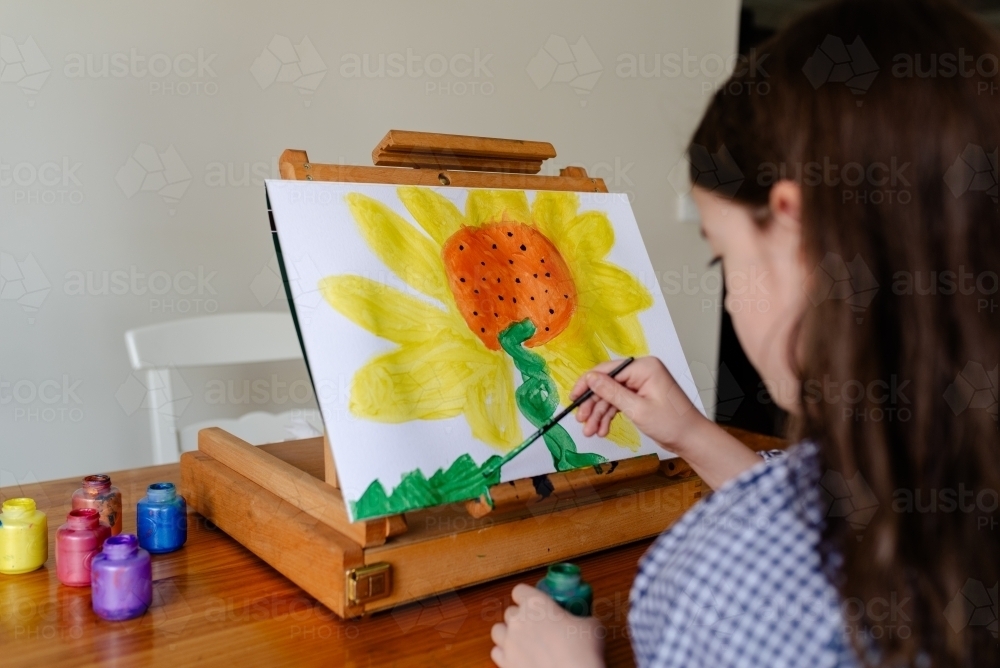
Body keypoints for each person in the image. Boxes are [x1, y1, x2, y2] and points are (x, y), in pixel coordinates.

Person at [489, 0, 999, 665]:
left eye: (720, 254)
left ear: (796, 228)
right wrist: (695, 437)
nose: (730, 300)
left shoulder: (741, 588)